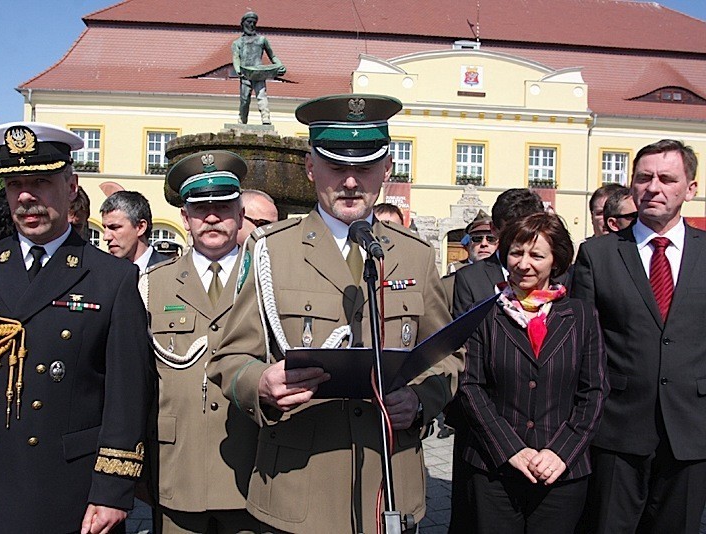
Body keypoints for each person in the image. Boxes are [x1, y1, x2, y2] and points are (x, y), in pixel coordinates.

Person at [208, 94, 460, 533]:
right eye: (335, 167)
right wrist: (261, 384)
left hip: (390, 485)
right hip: (299, 485)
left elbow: (448, 358)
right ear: (310, 168)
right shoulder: (270, 249)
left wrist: (421, 401)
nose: (349, 181)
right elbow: (229, 359)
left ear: (386, 170)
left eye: (364, 169)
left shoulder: (415, 256)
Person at [0, 122, 152, 534]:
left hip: (69, 488)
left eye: (40, 182)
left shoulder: (111, 278)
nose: (25, 197)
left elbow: (127, 396)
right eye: (14, 183)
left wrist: (112, 491)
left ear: (71, 185)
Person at [572, 139, 706, 533]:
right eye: (644, 177)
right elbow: (583, 343)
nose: (654, 187)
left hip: (692, 431)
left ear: (690, 188)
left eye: (667, 178)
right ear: (632, 185)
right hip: (617, 429)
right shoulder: (598, 254)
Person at [456, 212, 607, 533]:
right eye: (515, 252)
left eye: (537, 255)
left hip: (562, 472)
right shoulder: (483, 313)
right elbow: (470, 386)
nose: (524, 264)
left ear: (556, 261)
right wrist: (512, 449)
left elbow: (593, 391)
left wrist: (561, 452)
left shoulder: (581, 316)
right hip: (493, 468)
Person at [144, 150, 260, 533]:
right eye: (200, 209)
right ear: (185, 218)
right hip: (178, 467)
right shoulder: (151, 284)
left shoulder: (265, 279)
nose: (212, 217)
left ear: (240, 215)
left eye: (224, 207)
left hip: (249, 464)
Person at [232, 12, 286, 125]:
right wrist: (238, 70)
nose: (251, 25)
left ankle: (266, 118)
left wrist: (280, 65)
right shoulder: (237, 43)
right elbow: (236, 58)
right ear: (243, 24)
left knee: (262, 96)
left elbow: (273, 56)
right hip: (245, 73)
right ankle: (242, 119)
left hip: (259, 73)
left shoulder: (262, 40)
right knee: (244, 99)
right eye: (249, 22)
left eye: (254, 22)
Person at [101, 190, 166, 272]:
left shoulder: (169, 272)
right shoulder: (103, 272)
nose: (106, 237)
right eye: (104, 228)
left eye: (114, 227)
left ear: (141, 227)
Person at [447, 209, 497, 274]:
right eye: (477, 239)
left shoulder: (506, 270)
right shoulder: (456, 270)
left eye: (491, 239)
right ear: (468, 245)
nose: (484, 243)